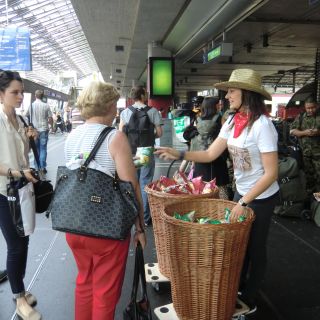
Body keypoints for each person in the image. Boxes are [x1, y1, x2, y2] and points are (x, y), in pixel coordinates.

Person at [155, 68, 280, 315]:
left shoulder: (263, 126)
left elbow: (271, 173)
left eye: (232, 91)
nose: (228, 96)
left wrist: (243, 202)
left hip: (261, 197)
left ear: (247, 93)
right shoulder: (233, 121)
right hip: (241, 192)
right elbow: (211, 153)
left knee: (255, 246)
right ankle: (237, 288)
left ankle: (251, 298)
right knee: (238, 244)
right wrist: (179, 153)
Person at [64, 80, 146, 320]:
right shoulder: (114, 138)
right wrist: (139, 227)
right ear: (109, 105)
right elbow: (131, 188)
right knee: (105, 292)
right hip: (106, 228)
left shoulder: (72, 136)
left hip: (75, 225)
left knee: (84, 282)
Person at [0, 70, 41, 319]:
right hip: (3, 193)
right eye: (14, 92)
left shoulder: (22, 120)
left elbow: (23, 154)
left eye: (21, 92)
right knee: (15, 245)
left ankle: (21, 290)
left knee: (24, 241)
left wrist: (30, 138)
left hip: (22, 190)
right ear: (1, 94)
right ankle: (18, 298)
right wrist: (16, 172)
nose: (20, 96)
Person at [119, 86, 163, 226]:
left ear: (132, 96)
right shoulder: (153, 111)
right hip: (145, 150)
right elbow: (160, 133)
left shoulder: (125, 112)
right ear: (143, 95)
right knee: (145, 183)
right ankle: (145, 218)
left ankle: (132, 215)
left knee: (132, 182)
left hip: (131, 150)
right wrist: (150, 136)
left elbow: (120, 133)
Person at [190, 96, 230, 199]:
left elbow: (194, 141)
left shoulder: (198, 119)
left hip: (201, 160)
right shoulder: (221, 118)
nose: (220, 105)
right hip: (218, 160)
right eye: (219, 104)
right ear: (215, 105)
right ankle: (222, 212)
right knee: (221, 192)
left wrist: (193, 163)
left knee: (202, 192)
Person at [290, 97, 320, 198]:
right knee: (308, 177)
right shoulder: (301, 117)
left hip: (318, 154)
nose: (310, 110)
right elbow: (292, 131)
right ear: (305, 108)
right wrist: (304, 132)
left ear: (317, 106)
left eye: (313, 107)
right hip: (305, 154)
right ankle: (310, 199)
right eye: (308, 108)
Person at [25, 89, 53, 174]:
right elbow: (50, 118)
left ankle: (37, 168)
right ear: (42, 96)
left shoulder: (31, 106)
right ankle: (43, 167)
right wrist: (51, 126)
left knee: (36, 149)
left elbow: (26, 116)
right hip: (44, 130)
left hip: (34, 131)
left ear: (35, 95)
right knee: (43, 149)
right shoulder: (46, 105)